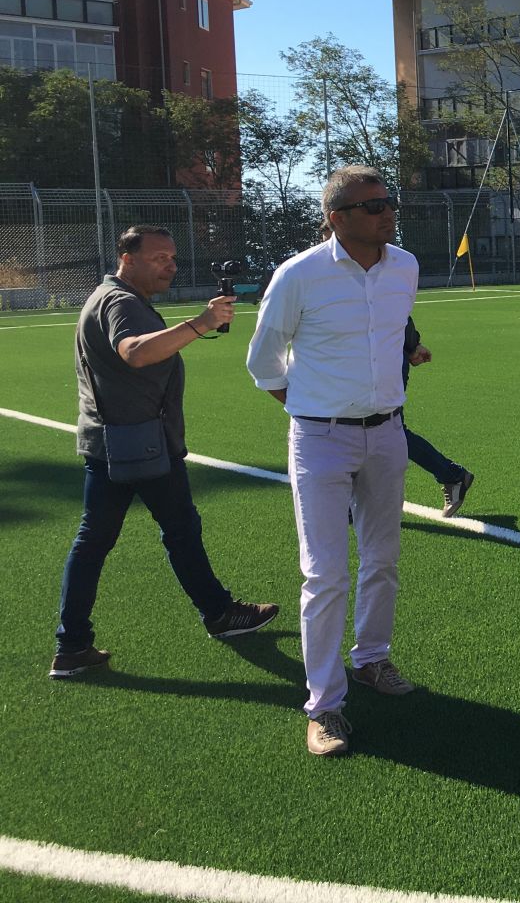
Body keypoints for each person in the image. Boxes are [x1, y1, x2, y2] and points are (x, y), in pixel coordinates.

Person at [51, 225, 278, 679]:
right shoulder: (120, 302)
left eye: (172, 258)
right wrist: (201, 323)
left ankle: (72, 644)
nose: (170, 266)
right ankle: (218, 613)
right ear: (127, 258)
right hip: (139, 444)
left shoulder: (114, 297)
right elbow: (134, 352)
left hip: (117, 440)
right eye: (159, 258)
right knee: (176, 530)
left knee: (100, 540)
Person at [246, 166, 419, 757]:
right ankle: (324, 706)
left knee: (384, 558)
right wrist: (310, 413)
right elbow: (263, 361)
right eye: (373, 206)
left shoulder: (405, 267)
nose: (387, 213)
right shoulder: (299, 275)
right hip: (319, 438)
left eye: (389, 201)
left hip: (389, 433)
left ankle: (371, 659)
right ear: (336, 218)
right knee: (324, 574)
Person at [402, 316, 474, 517]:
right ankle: (452, 475)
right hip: (363, 365)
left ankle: (452, 475)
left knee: (388, 429)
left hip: (381, 364)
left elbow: (393, 302)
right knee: (382, 431)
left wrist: (411, 345)